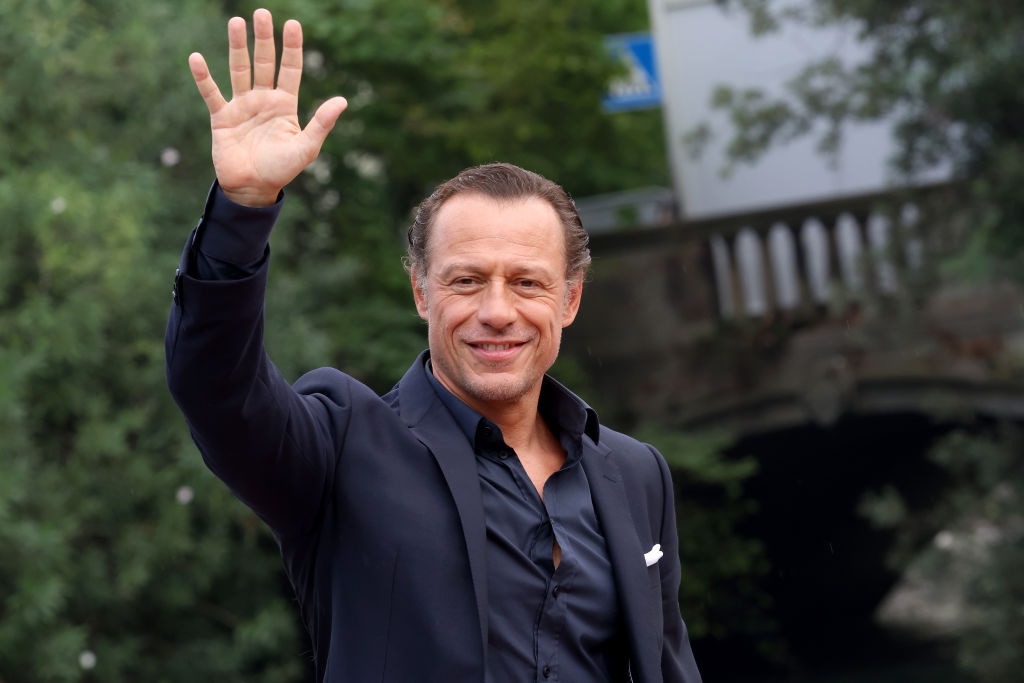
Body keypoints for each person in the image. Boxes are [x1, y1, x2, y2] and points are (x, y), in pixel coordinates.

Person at [166, 8, 702, 683]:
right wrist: (243, 209)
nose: (497, 311)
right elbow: (216, 387)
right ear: (422, 292)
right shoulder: (341, 448)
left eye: (527, 282)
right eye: (467, 281)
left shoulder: (637, 473)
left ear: (569, 299)